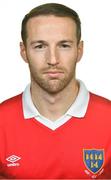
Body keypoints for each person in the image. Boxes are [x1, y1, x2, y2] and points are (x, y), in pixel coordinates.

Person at [0, 2, 111, 179]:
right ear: (23, 51)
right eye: (40, 46)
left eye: (64, 45)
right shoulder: (1, 120)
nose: (52, 59)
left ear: (79, 50)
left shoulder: (109, 118)